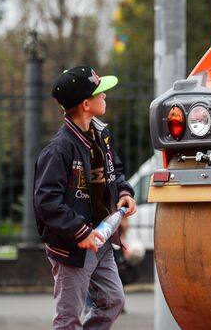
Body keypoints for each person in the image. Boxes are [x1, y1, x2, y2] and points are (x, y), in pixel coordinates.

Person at [33, 66, 137, 330]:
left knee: (113, 300)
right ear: (86, 104)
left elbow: (117, 170)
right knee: (68, 318)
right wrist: (80, 232)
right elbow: (46, 201)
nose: (106, 97)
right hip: (73, 245)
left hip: (101, 238)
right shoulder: (59, 149)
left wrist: (124, 192)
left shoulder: (101, 135)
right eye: (100, 93)